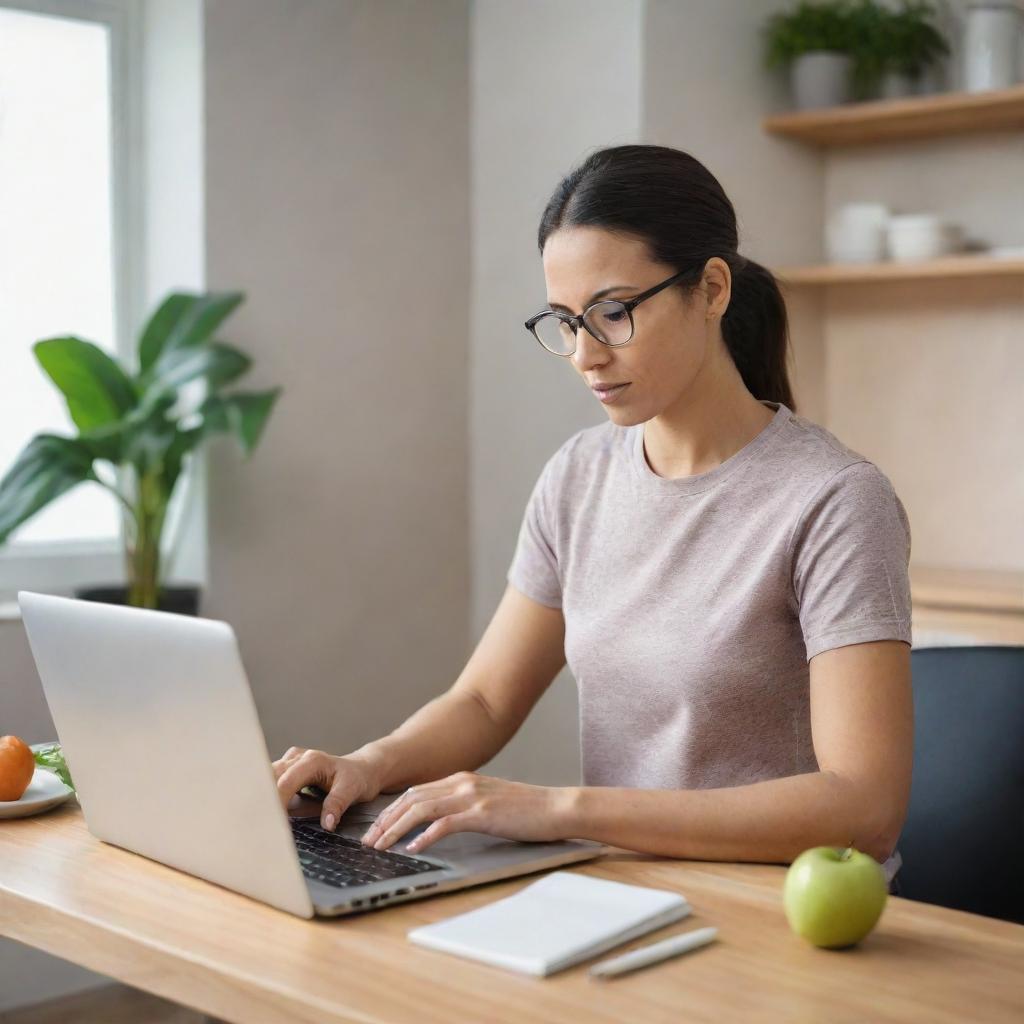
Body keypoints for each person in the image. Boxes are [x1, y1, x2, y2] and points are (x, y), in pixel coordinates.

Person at [274, 143, 912, 892]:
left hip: (781, 908)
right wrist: (367, 763)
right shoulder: (579, 476)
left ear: (710, 290)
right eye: (565, 321)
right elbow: (484, 699)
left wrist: (561, 810)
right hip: (619, 895)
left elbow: (864, 806)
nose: (584, 354)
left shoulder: (835, 501)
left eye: (612, 314)